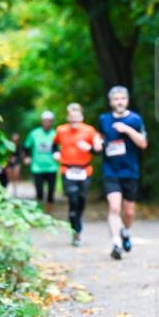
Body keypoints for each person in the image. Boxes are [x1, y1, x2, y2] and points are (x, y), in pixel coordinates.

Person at [99, 86, 148, 260]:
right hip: (111, 170)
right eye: (116, 99)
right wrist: (98, 143)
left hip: (130, 171)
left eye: (122, 99)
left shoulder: (135, 119)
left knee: (128, 212)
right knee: (114, 207)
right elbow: (101, 139)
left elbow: (143, 143)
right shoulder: (104, 119)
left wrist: (127, 130)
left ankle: (126, 232)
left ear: (126, 100)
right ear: (111, 102)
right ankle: (116, 244)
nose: (119, 102)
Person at [53, 103, 103, 246]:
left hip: (84, 170)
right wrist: (55, 152)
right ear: (68, 117)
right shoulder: (61, 130)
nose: (74, 119)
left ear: (81, 117)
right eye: (72, 117)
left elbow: (98, 151)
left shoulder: (89, 130)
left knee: (81, 200)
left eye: (77, 117)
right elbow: (54, 144)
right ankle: (76, 230)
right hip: (67, 169)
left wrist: (91, 148)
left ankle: (76, 222)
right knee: (73, 199)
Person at [23, 110, 59, 214]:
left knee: (51, 192)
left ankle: (48, 213)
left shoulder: (55, 134)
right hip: (37, 167)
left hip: (52, 167)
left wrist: (58, 154)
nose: (47, 123)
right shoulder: (34, 133)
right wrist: (27, 157)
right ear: (42, 121)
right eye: (45, 121)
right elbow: (26, 147)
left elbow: (59, 148)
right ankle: (40, 211)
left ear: (52, 122)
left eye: (49, 121)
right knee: (39, 192)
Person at [3, 132, 22, 198]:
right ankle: (9, 189)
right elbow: (5, 154)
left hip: (16, 162)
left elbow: (20, 155)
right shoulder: (8, 145)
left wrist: (15, 158)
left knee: (16, 174)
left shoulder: (19, 146)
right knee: (9, 176)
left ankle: (15, 189)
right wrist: (9, 158)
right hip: (9, 163)